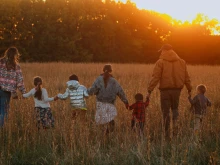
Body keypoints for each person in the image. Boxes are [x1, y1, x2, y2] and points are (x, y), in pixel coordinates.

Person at [147, 44, 192, 140]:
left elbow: (156, 77)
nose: (161, 52)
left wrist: (149, 90)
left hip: (165, 91)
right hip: (177, 90)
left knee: (165, 112)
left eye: (162, 51)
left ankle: (166, 134)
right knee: (175, 109)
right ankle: (175, 131)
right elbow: (186, 77)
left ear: (164, 50)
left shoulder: (160, 62)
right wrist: (189, 89)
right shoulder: (182, 62)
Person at [88, 64, 129, 134]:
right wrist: (126, 102)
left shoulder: (98, 80)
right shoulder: (114, 81)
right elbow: (120, 92)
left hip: (100, 103)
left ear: (103, 70)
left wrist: (86, 91)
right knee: (110, 119)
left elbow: (92, 91)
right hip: (111, 103)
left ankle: (103, 136)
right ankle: (109, 134)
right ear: (111, 71)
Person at [0, 47, 26, 127]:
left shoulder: (0, 62)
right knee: (3, 111)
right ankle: (1, 129)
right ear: (15, 55)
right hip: (6, 92)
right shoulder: (16, 66)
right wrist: (24, 92)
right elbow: (20, 81)